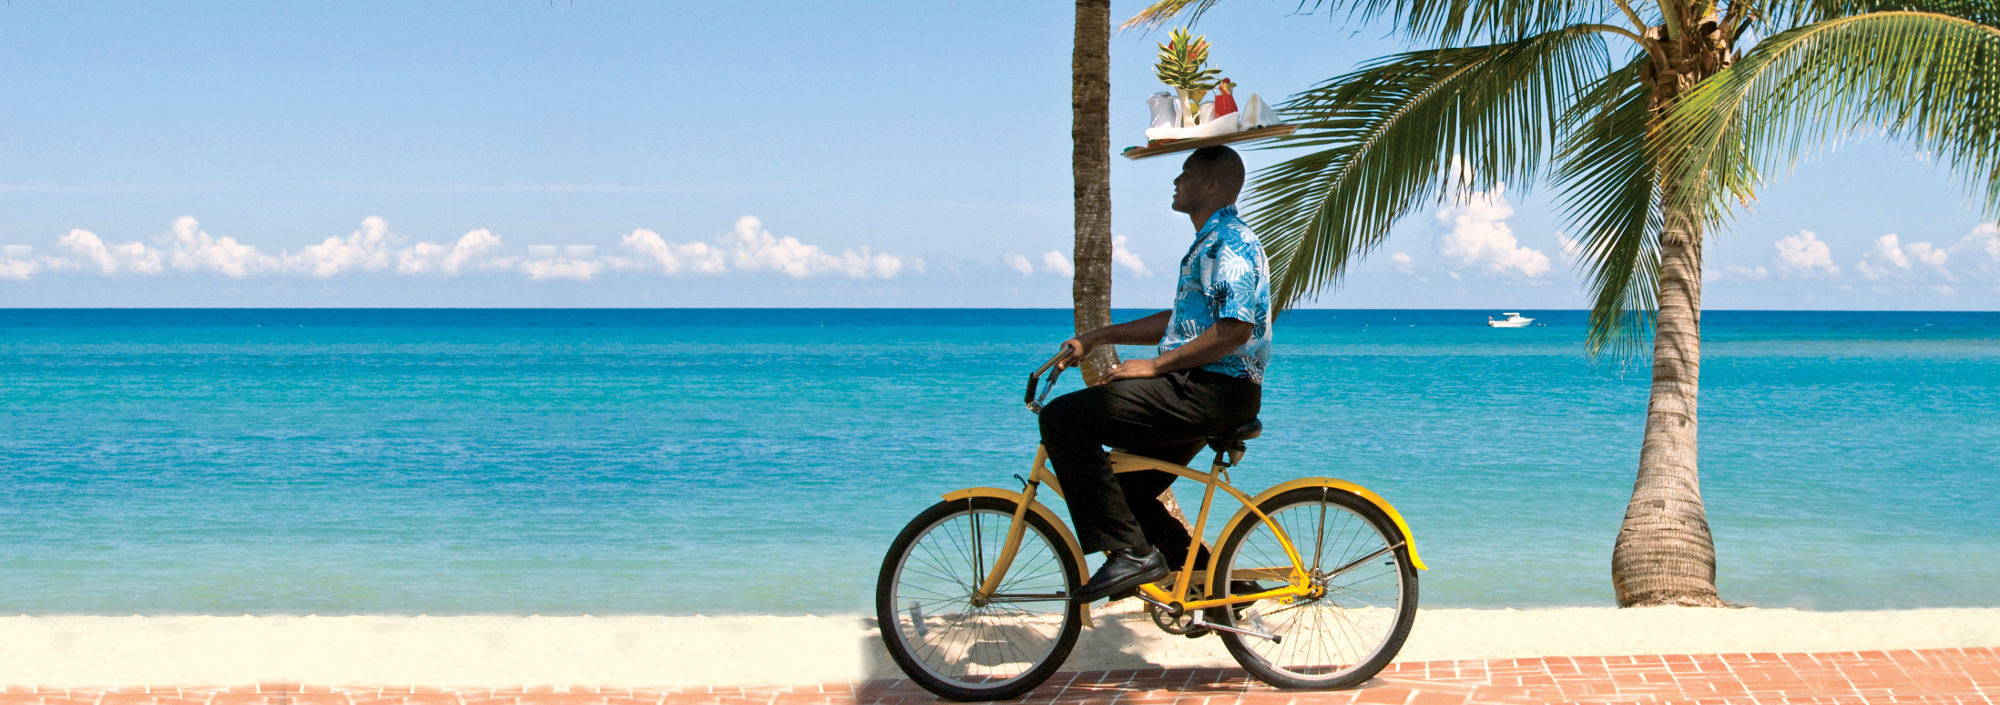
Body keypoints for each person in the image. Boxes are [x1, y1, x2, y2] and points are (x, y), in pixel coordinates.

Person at [1041, 145, 1272, 604]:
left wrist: (1155, 366)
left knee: (1063, 419)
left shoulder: (1231, 242)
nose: (1176, 181)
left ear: (1211, 185)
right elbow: (1181, 322)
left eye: (1185, 173)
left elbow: (1234, 328)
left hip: (1211, 390)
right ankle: (1212, 586)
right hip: (1203, 390)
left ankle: (1132, 555)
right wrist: (1098, 336)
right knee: (1124, 490)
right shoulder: (1211, 240)